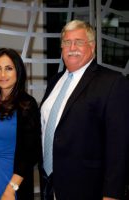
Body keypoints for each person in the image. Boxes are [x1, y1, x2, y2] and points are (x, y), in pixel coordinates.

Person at [40, 19, 129, 200]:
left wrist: (112, 194)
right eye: (66, 42)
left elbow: (119, 144)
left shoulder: (112, 82)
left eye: (78, 42)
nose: (72, 47)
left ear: (92, 46)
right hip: (51, 185)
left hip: (88, 188)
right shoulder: (54, 81)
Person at [0, 48, 41, 200]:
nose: (3, 74)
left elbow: (32, 152)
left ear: (18, 71)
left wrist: (11, 188)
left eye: (8, 68)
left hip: (13, 182)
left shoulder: (27, 104)